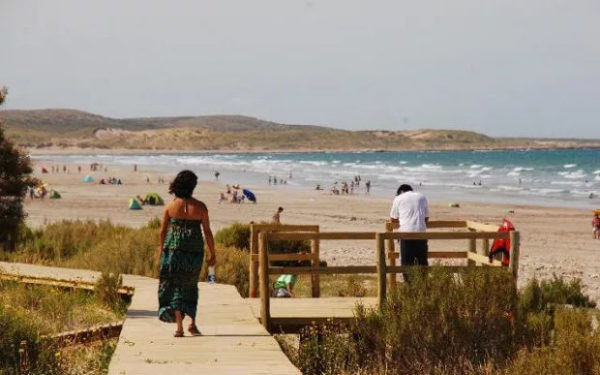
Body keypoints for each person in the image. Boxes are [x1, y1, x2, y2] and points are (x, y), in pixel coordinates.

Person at [157, 170, 216, 337]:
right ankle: (192, 324)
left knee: (175, 287)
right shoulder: (200, 207)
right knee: (190, 286)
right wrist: (213, 253)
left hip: (173, 251)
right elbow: (207, 232)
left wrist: (161, 250)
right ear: (192, 187)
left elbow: (162, 231)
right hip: (194, 252)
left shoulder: (170, 206)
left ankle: (179, 328)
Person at [389, 184, 429, 282]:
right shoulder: (422, 197)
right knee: (422, 262)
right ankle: (422, 287)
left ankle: (409, 288)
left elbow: (393, 219)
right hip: (421, 234)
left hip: (406, 234)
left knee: (407, 263)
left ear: (400, 192)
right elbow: (426, 218)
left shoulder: (398, 198)